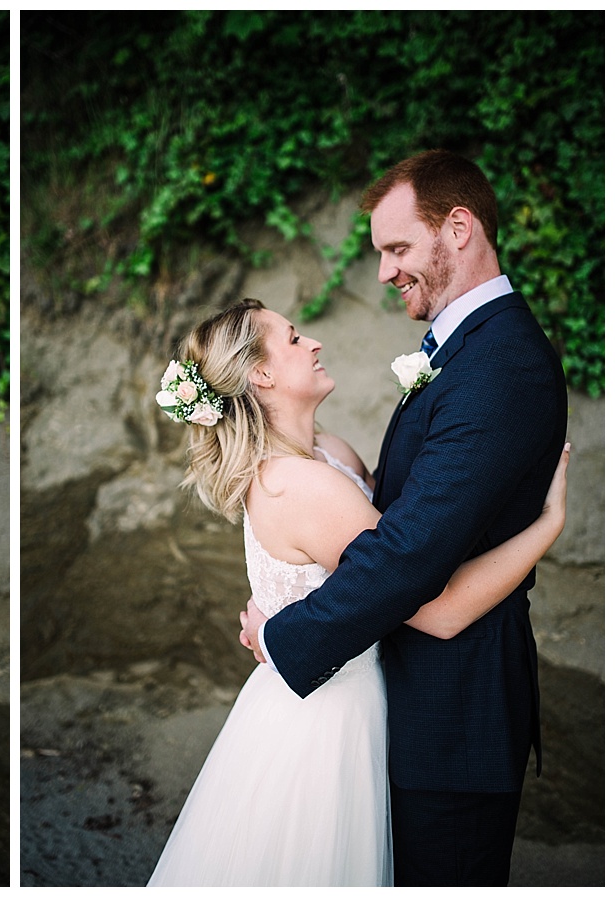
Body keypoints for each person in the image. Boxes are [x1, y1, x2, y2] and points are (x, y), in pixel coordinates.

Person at [146, 299, 569, 886]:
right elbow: (438, 609)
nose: (312, 342)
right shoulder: (298, 486)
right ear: (261, 375)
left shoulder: (329, 453)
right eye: (293, 339)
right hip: (330, 719)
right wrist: (545, 526)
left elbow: (414, 531)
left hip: (340, 684)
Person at [240, 150, 569, 885]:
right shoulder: (467, 351)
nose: (385, 271)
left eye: (397, 248)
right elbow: (394, 512)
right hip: (411, 704)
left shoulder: (500, 364)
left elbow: (409, 550)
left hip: (456, 715)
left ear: (458, 228)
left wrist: (287, 633)